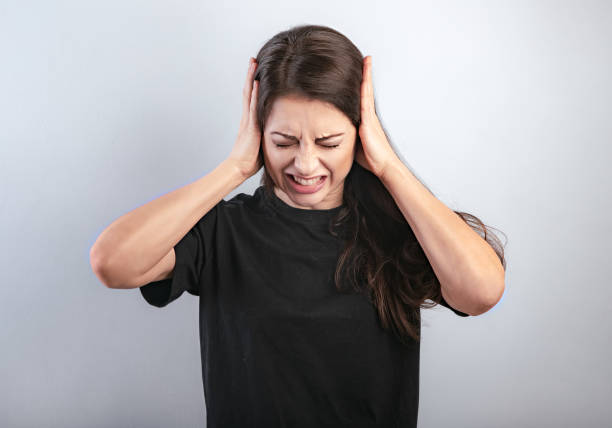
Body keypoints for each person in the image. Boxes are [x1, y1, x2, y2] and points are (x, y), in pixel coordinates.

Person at [90, 24, 506, 428]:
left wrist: (388, 166)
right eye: (284, 142)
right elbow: (112, 263)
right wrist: (234, 167)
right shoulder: (224, 231)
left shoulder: (398, 227)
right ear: (258, 133)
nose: (305, 164)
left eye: (328, 143)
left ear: (361, 134)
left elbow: (482, 293)